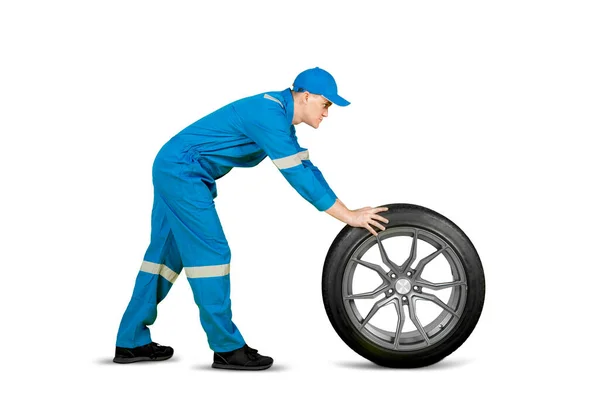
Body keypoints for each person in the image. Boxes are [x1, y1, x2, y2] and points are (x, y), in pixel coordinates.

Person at [113, 67, 389, 370]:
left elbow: (307, 169)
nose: (327, 113)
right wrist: (346, 215)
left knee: (164, 258)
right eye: (326, 104)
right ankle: (227, 348)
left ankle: (131, 342)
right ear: (306, 96)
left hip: (176, 168)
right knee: (211, 256)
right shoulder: (268, 115)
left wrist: (346, 210)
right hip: (182, 172)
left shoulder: (278, 116)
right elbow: (296, 175)